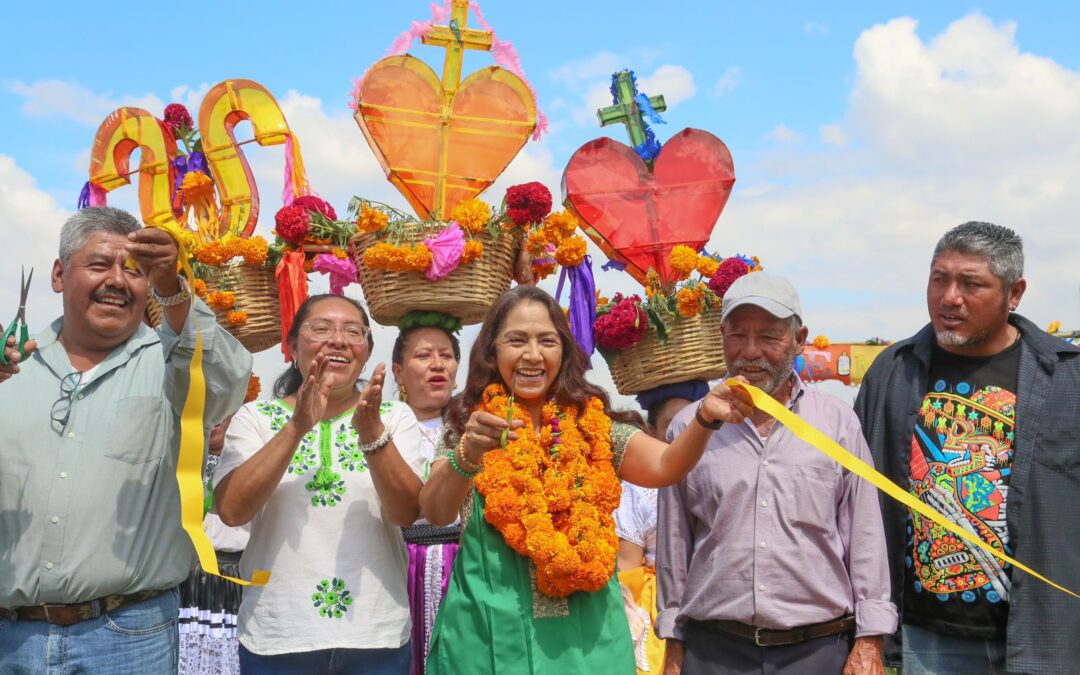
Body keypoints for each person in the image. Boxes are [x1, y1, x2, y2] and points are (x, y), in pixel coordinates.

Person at [419, 285, 754, 675]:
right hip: (490, 637)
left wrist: (704, 420)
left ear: (563, 352)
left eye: (547, 341)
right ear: (492, 352)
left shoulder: (595, 428)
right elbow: (436, 511)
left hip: (589, 639)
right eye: (516, 340)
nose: (532, 355)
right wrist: (468, 455)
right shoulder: (470, 425)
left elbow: (665, 465)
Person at [0, 206, 251, 673]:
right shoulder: (11, 368)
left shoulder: (172, 364)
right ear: (58, 275)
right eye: (99, 265)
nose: (118, 280)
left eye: (135, 271)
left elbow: (226, 382)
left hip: (130, 636)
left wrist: (174, 289)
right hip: (11, 637)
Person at [854, 222, 1080, 675]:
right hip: (925, 637)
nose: (949, 297)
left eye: (970, 284)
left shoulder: (1068, 379)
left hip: (1044, 632)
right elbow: (850, 493)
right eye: (939, 279)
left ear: (1014, 293)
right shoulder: (893, 372)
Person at [657, 272, 896, 675]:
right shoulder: (689, 427)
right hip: (713, 651)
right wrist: (674, 644)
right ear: (722, 336)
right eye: (738, 335)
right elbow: (674, 544)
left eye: (769, 336)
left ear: (799, 339)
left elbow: (865, 535)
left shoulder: (837, 424)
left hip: (818, 651)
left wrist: (870, 641)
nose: (751, 352)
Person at [212, 293, 425, 674]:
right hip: (278, 635)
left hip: (375, 635)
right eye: (321, 329)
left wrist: (372, 434)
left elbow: (407, 512)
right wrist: (296, 427)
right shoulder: (256, 417)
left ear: (366, 350)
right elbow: (231, 510)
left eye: (353, 332)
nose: (338, 340)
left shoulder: (394, 417)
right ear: (292, 346)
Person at [616, 381, 709, 675]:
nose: (685, 436)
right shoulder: (638, 489)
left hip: (715, 609)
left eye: (695, 424)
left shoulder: (721, 477)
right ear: (652, 433)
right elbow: (627, 569)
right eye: (672, 427)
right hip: (656, 613)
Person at [390, 314, 463, 675]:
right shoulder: (378, 426)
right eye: (423, 356)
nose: (438, 365)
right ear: (398, 372)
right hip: (394, 565)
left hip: (464, 568)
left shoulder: (472, 428)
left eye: (446, 356)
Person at [179, 414, 248, 675]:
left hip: (232, 579)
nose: (216, 420)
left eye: (224, 412)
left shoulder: (247, 452)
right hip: (188, 577)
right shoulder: (181, 458)